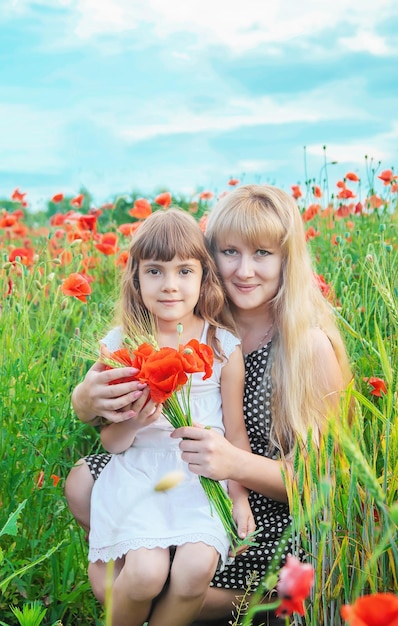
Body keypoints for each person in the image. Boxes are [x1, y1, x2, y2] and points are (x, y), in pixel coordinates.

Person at [65, 185, 352, 626]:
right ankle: (124, 580)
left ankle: (248, 604)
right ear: (208, 259)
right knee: (83, 481)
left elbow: (324, 484)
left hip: (263, 508)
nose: (244, 270)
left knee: (175, 579)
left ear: (287, 259)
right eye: (229, 251)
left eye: (262, 253)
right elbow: (113, 406)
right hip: (178, 473)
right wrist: (84, 400)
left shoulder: (305, 347)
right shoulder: (196, 320)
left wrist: (235, 464)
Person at [68, 208, 255, 626]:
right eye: (154, 271)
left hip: (202, 481)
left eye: (184, 271)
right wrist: (134, 421)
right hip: (139, 476)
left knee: (193, 572)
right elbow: (111, 442)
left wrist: (239, 498)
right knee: (144, 576)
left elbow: (236, 437)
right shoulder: (122, 345)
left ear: (205, 277)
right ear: (135, 277)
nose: (170, 286)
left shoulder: (223, 345)